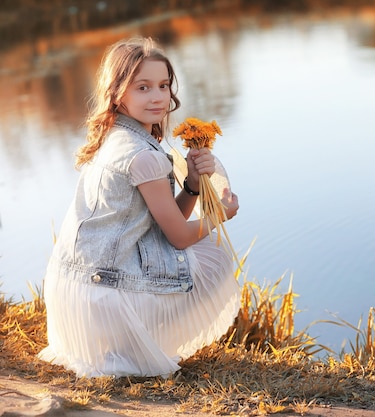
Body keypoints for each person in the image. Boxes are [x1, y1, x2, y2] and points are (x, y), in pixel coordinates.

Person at [37, 37, 240, 378]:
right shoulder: (142, 155)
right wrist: (220, 213)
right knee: (213, 254)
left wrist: (191, 183)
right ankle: (132, 346)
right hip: (100, 299)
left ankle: (131, 337)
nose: (158, 97)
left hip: (73, 290)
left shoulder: (114, 135)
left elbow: (166, 222)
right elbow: (177, 235)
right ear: (117, 93)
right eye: (142, 87)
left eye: (163, 85)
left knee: (194, 251)